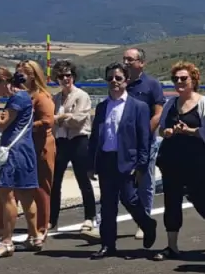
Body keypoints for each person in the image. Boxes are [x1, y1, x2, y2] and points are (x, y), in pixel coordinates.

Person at [153, 61, 205, 260]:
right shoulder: (171, 104)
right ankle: (172, 246)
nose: (179, 82)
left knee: (200, 199)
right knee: (171, 201)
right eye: (175, 79)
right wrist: (168, 132)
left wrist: (190, 131)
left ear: (193, 80)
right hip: (172, 160)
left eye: (183, 78)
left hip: (197, 161)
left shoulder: (204, 103)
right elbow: (161, 129)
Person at [89, 63, 158, 258]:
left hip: (127, 160)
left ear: (126, 81)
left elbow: (144, 138)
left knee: (130, 199)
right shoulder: (102, 107)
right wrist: (91, 164)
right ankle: (108, 244)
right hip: (106, 160)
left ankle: (147, 224)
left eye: (118, 78)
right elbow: (95, 137)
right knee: (107, 204)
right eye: (110, 78)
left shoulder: (138, 107)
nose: (114, 81)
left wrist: (141, 165)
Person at [0, 66, 41, 259]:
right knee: (26, 195)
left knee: (6, 194)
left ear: (1, 82)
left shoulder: (16, 99)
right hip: (26, 151)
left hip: (14, 152)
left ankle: (6, 241)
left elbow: (1, 124)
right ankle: (34, 236)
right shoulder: (24, 96)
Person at [49, 60, 97, 233]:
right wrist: (65, 117)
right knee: (55, 182)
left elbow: (78, 120)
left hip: (79, 141)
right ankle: (52, 219)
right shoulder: (55, 98)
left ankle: (90, 217)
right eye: (61, 76)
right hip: (61, 142)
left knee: (83, 180)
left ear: (73, 76)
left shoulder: (81, 95)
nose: (65, 79)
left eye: (68, 75)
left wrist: (60, 118)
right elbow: (51, 119)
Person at [121, 47, 166, 229]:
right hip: (122, 143)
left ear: (141, 63)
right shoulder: (120, 83)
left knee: (145, 181)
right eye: (124, 59)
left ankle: (144, 222)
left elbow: (158, 113)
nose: (126, 63)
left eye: (130, 60)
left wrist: (143, 134)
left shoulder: (152, 84)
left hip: (145, 142)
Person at [16, 60, 56, 242]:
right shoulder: (22, 95)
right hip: (25, 147)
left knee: (41, 189)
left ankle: (41, 229)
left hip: (41, 146)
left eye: (23, 73)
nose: (19, 76)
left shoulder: (41, 97)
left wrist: (26, 125)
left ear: (33, 75)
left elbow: (48, 121)